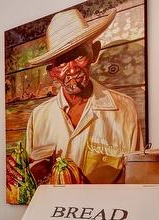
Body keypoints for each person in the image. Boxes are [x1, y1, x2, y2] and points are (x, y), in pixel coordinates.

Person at [22, 7, 143, 184]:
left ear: (94, 52)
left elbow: (136, 181)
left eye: (79, 56)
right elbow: (29, 181)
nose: (72, 69)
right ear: (52, 72)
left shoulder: (124, 109)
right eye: (62, 63)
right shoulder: (39, 117)